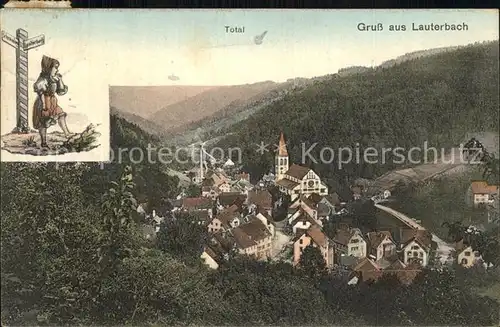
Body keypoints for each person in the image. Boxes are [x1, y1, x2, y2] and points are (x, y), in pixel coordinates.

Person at [33, 55, 72, 148]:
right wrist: (44, 107)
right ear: (48, 68)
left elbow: (60, 91)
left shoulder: (55, 78)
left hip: (52, 101)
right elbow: (41, 93)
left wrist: (60, 80)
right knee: (43, 122)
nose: (57, 70)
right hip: (43, 102)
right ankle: (43, 142)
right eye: (55, 68)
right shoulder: (43, 79)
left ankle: (67, 133)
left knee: (61, 114)